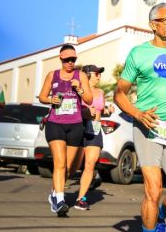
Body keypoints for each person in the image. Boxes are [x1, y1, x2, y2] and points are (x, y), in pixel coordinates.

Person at [114, 3, 166, 232]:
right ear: (153, 25)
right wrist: (137, 113)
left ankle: (159, 214)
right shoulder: (139, 53)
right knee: (153, 189)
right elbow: (119, 93)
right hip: (147, 128)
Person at [38, 44, 92, 216]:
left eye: (73, 59)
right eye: (67, 59)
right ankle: (60, 201)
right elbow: (42, 96)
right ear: (61, 58)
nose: (70, 62)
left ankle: (54, 193)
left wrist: (80, 89)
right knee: (59, 163)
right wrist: (50, 100)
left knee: (69, 167)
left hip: (75, 124)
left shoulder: (81, 75)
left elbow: (89, 99)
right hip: (55, 123)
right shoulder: (52, 75)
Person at [73, 64, 113, 210]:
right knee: (72, 166)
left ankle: (80, 199)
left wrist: (108, 110)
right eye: (96, 74)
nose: (99, 76)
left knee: (90, 164)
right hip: (79, 127)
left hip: (95, 129)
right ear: (87, 75)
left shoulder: (100, 92)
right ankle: (57, 193)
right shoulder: (78, 89)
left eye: (100, 74)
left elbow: (100, 110)